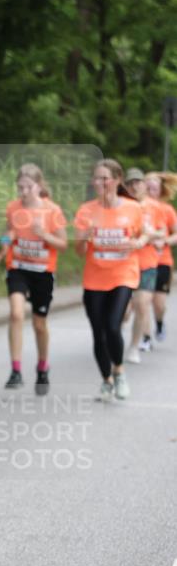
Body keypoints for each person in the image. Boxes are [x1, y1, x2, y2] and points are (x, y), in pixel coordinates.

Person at [74, 160, 147, 402]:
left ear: (117, 180)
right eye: (96, 178)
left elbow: (144, 233)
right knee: (98, 333)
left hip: (123, 273)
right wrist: (83, 238)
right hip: (95, 277)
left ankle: (120, 371)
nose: (100, 183)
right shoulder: (86, 210)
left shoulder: (132, 208)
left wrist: (137, 243)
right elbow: (79, 251)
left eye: (104, 178)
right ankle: (106, 380)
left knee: (113, 326)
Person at [0, 163, 67, 394]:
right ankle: (16, 370)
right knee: (16, 314)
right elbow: (9, 234)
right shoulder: (13, 208)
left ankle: (42, 367)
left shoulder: (52, 211)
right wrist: (4, 245)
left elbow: (63, 244)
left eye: (28, 187)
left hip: (43, 273)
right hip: (18, 268)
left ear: (39, 186)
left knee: (38, 324)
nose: (23, 192)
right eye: (20, 187)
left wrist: (43, 234)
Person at [122, 169, 167, 362]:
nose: (134, 186)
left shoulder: (155, 207)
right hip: (123, 264)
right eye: (130, 183)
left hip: (147, 264)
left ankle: (135, 346)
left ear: (143, 185)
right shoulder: (121, 206)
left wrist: (151, 235)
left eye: (138, 182)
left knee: (142, 305)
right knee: (124, 312)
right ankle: (117, 331)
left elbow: (163, 231)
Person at [145, 171, 177, 342]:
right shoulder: (138, 208)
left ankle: (159, 322)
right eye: (147, 188)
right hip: (142, 262)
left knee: (158, 304)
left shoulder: (167, 210)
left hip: (162, 261)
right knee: (143, 300)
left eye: (154, 189)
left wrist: (164, 241)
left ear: (160, 191)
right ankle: (145, 337)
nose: (150, 192)